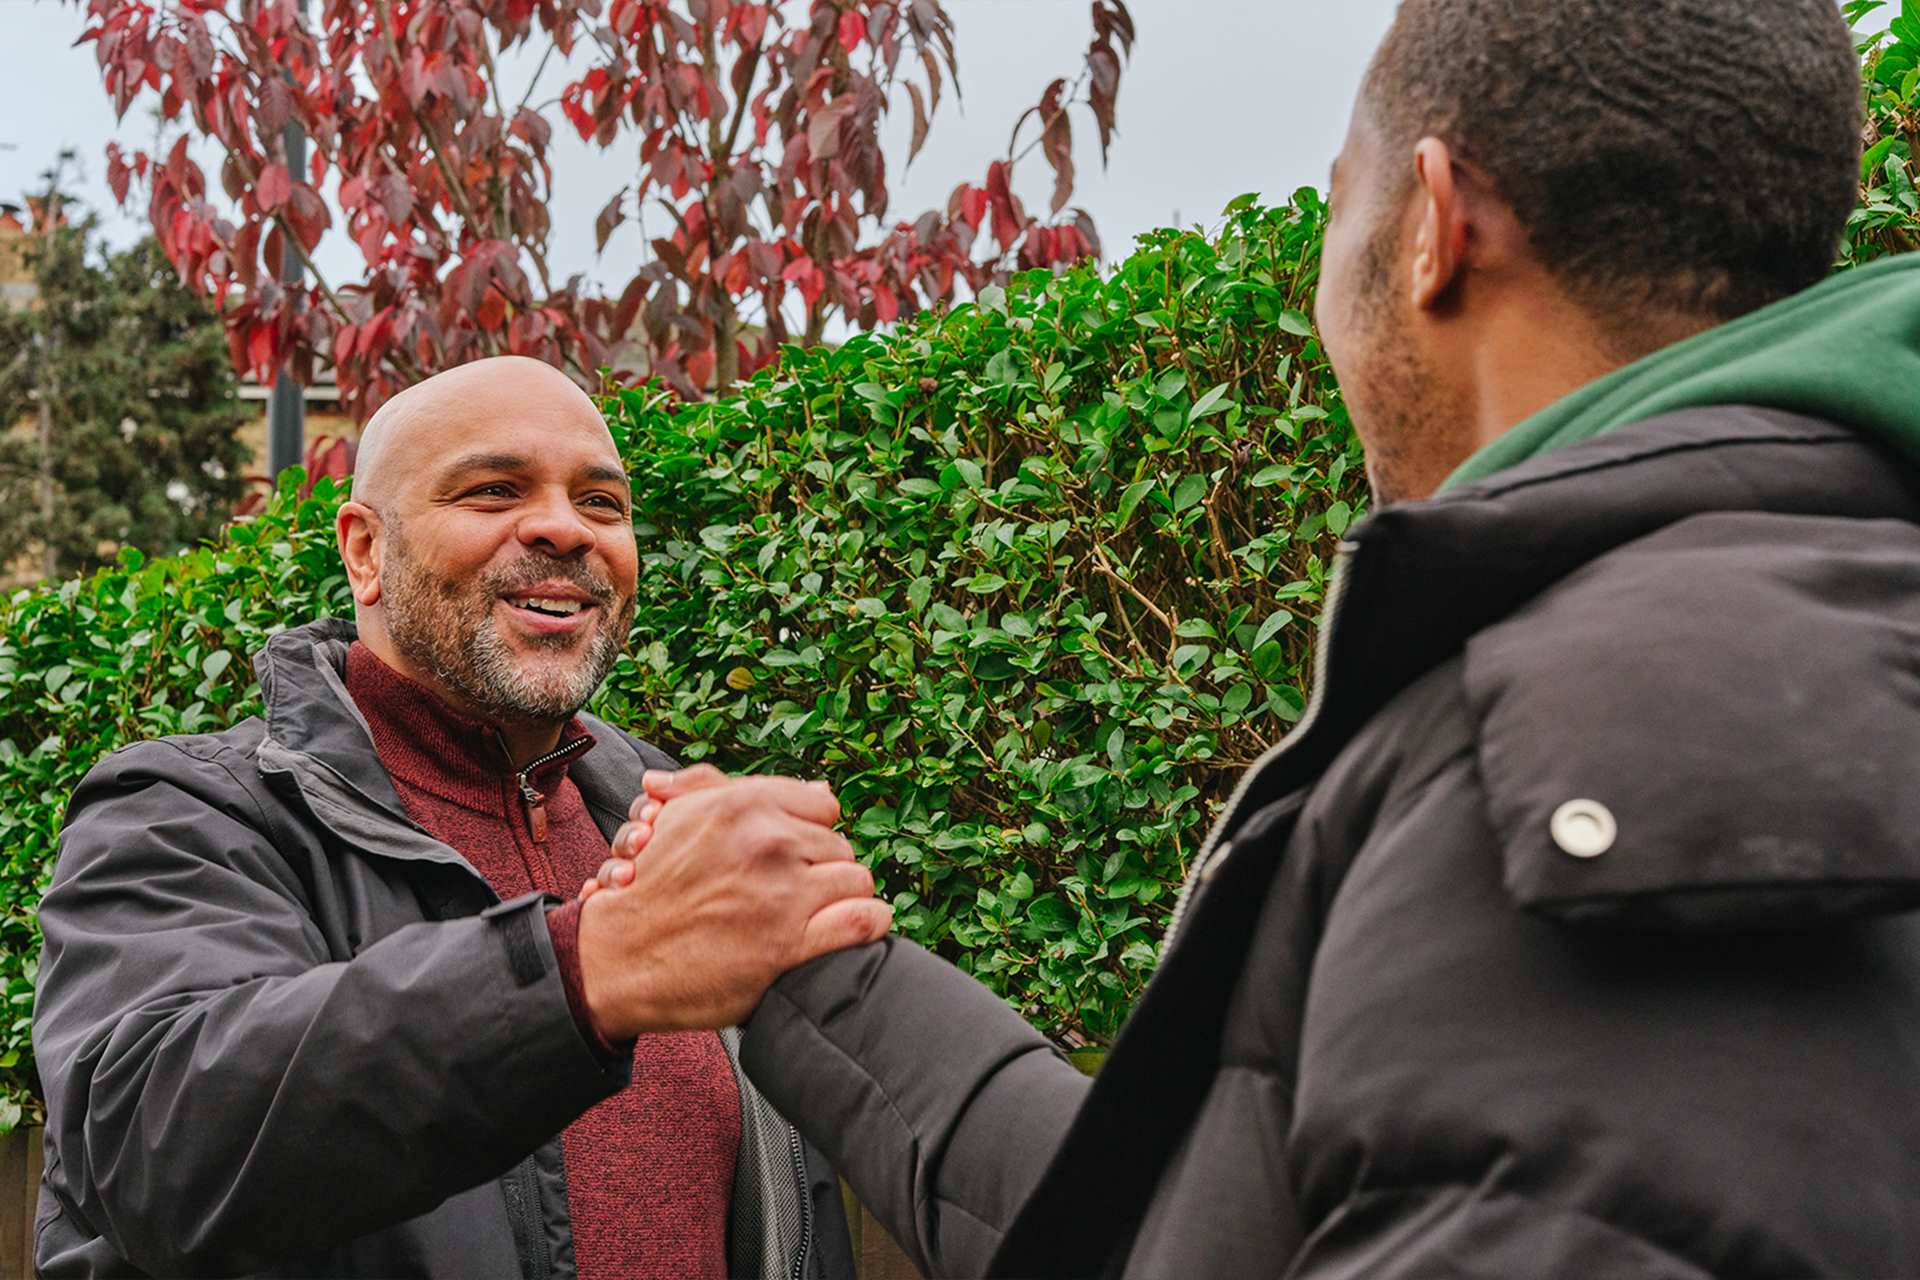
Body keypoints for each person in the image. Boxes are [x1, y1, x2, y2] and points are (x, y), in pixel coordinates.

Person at [595, 0, 1920, 1274]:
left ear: (1436, 229)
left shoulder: (1590, 753)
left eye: (1339, 201)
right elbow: (1223, 1223)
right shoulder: (1793, 640)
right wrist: (805, 967)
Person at [31, 356, 889, 1278]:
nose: (565, 526)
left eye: (602, 503)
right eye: (493, 490)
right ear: (365, 550)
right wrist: (585, 970)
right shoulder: (185, 814)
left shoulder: (668, 820)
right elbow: (153, 1147)